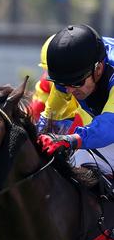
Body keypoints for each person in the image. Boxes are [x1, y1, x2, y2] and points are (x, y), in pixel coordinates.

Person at [37, 24, 114, 174]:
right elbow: (49, 119)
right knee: (78, 164)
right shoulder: (72, 70)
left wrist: (69, 140)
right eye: (61, 84)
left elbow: (109, 126)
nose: (69, 90)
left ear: (98, 69)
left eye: (77, 83)